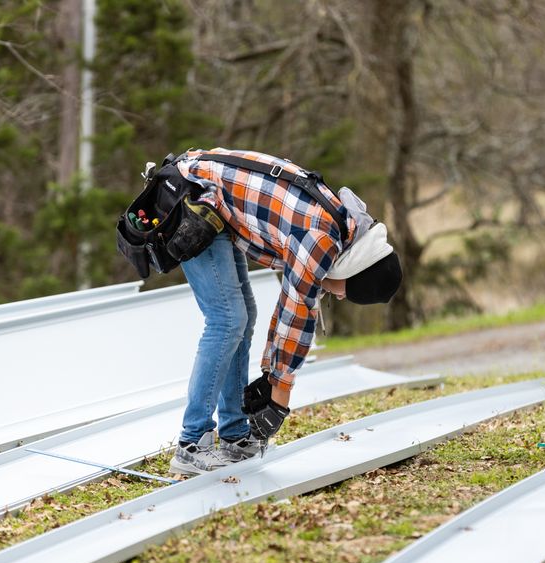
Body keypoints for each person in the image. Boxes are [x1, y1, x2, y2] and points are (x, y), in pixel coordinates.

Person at [166, 148, 402, 476]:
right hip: (196, 195)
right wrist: (280, 397)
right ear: (353, 272)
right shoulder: (321, 238)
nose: (341, 298)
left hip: (216, 204)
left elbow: (290, 303)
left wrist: (271, 375)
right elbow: (297, 311)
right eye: (348, 293)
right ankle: (192, 443)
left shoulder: (341, 231)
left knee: (242, 316)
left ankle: (234, 436)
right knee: (227, 319)